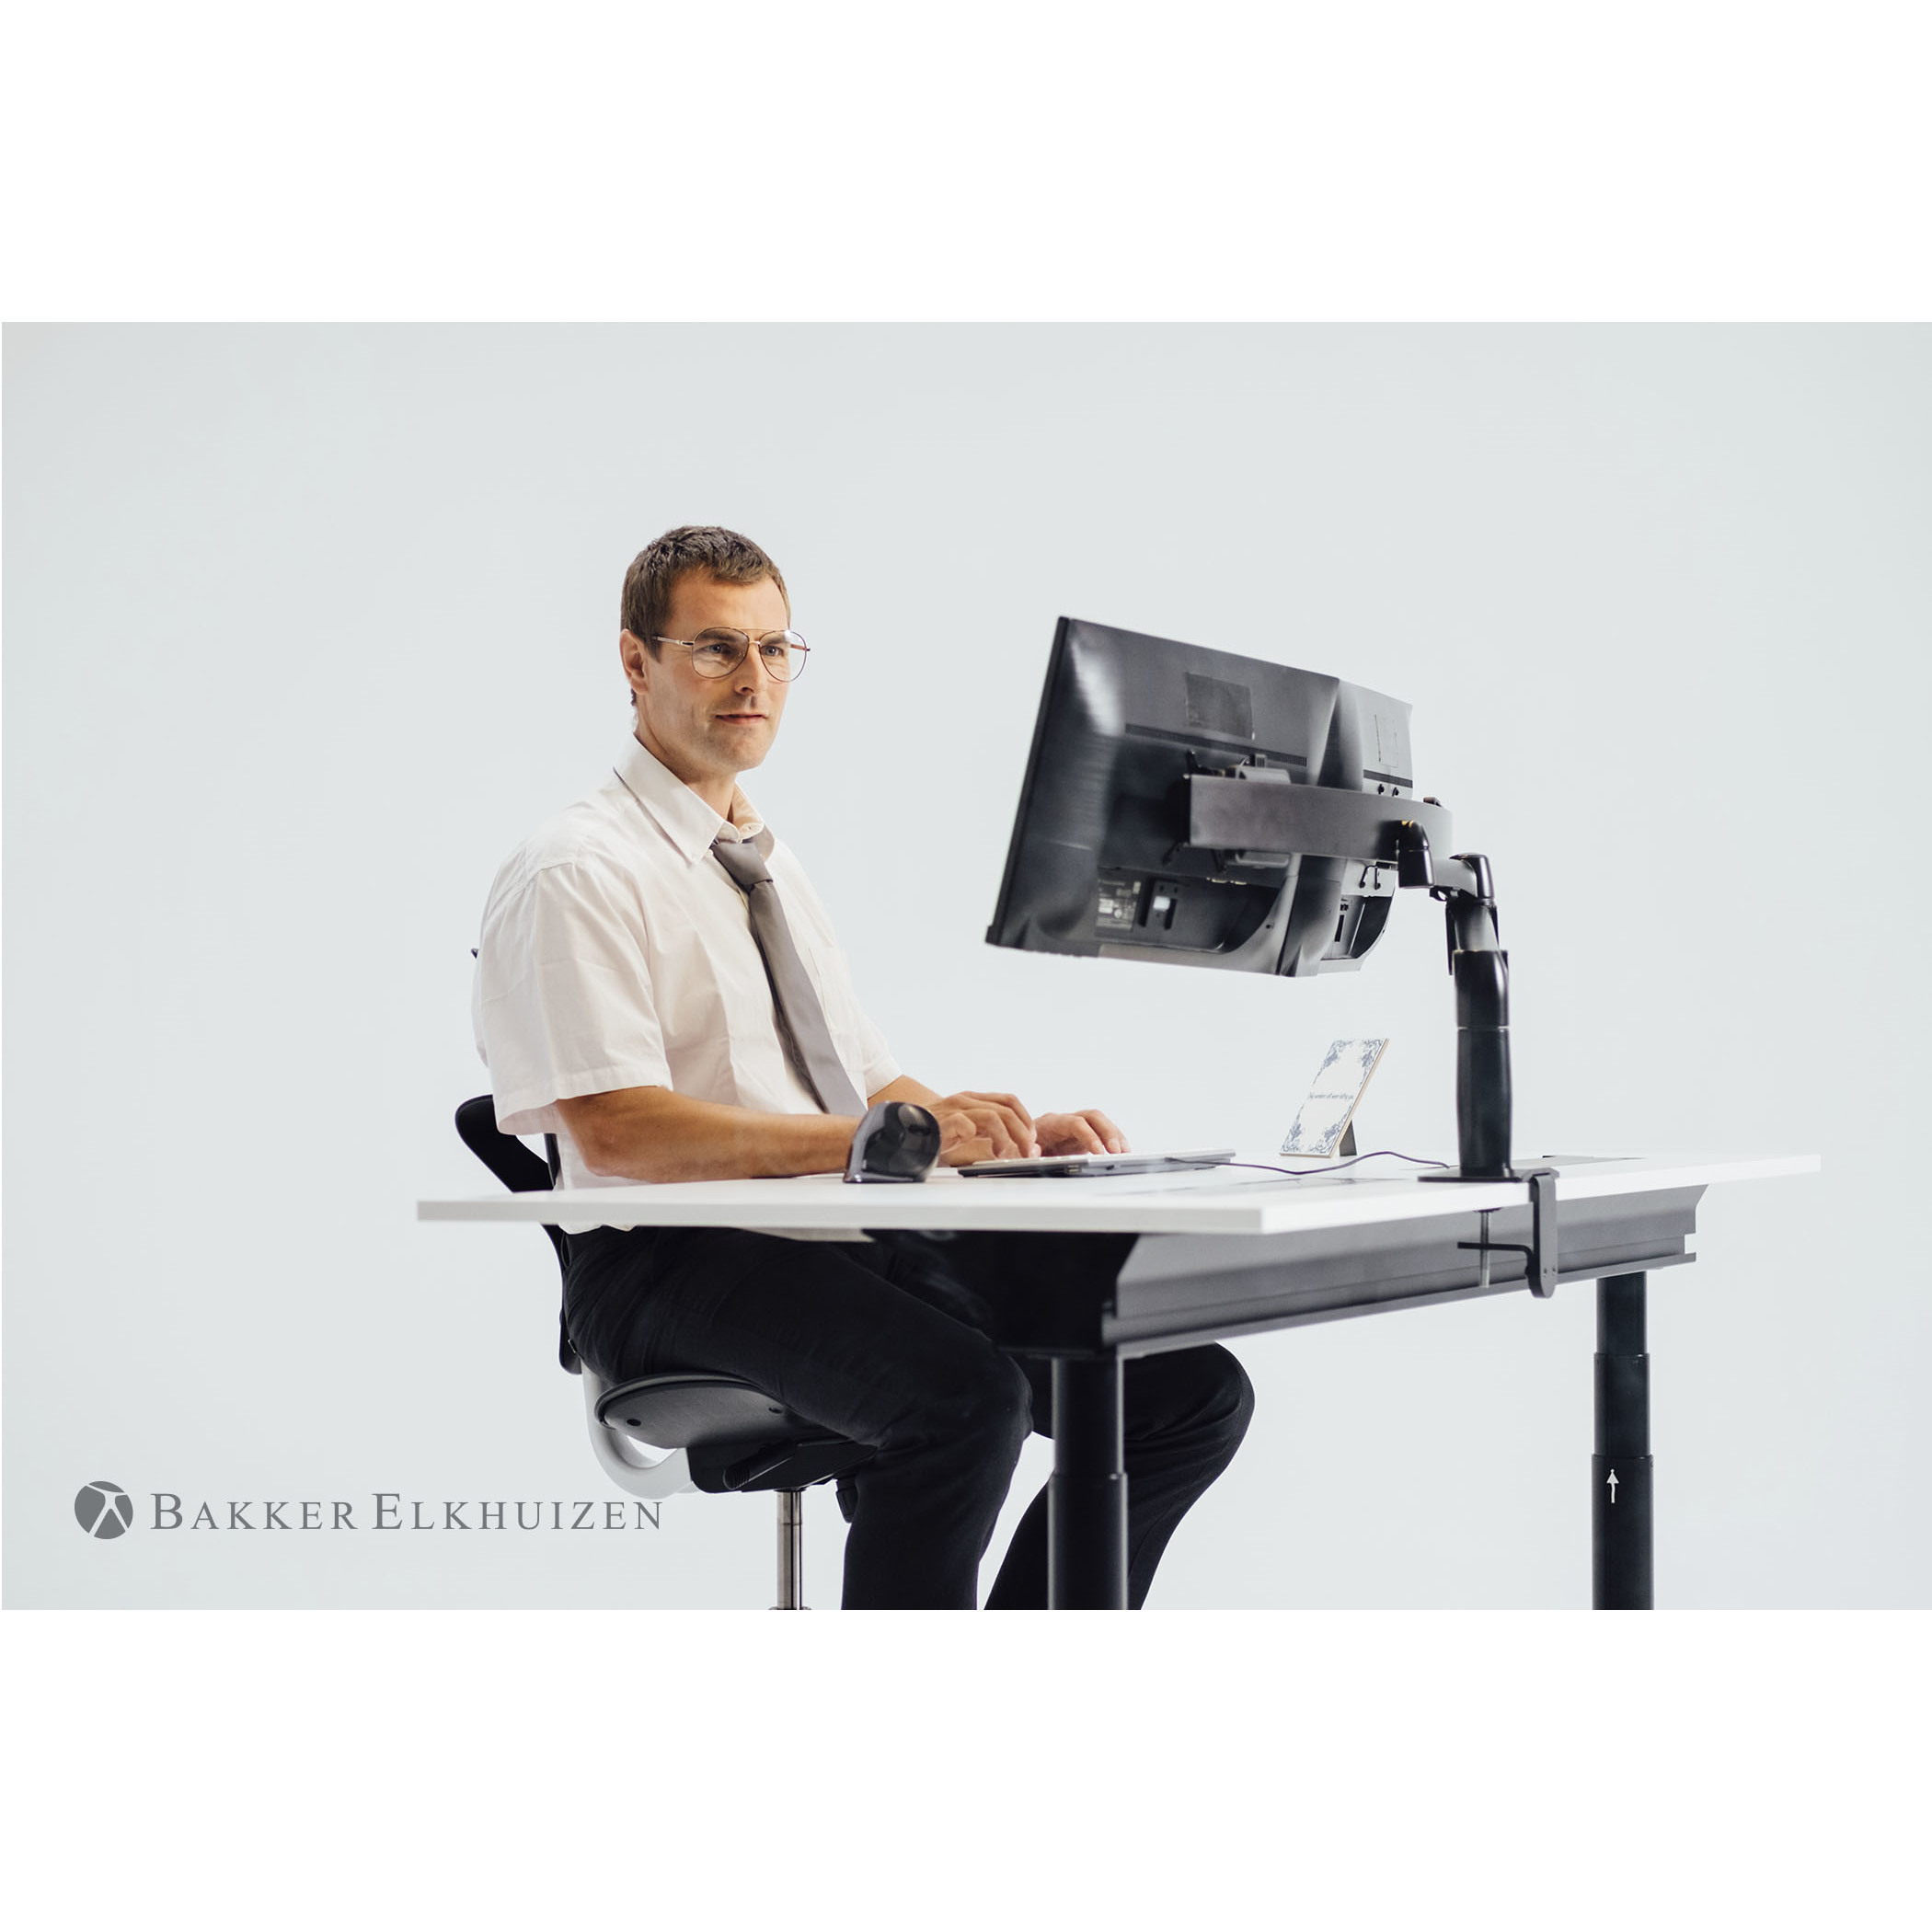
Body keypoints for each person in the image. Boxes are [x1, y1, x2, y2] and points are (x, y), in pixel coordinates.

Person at [473, 524, 1253, 1607]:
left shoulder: (767, 864)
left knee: (1187, 1394)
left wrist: (996, 1135)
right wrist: (877, 1143)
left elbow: (867, 1085)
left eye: (774, 649)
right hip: (665, 1259)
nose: (754, 678)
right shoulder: (576, 869)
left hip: (836, 1235)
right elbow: (618, 1130)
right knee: (962, 1401)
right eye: (716, 648)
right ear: (635, 662)